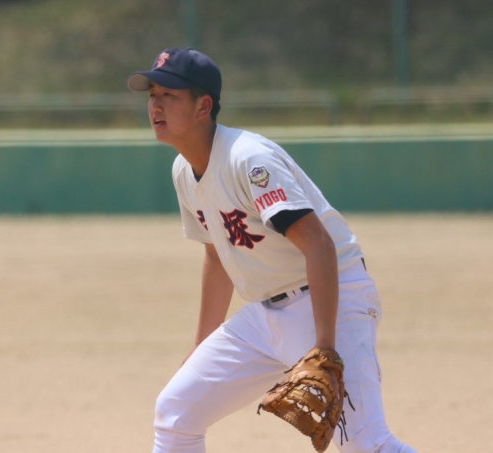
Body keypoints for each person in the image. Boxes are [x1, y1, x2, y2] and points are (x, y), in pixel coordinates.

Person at [126, 47, 416, 453]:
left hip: (332, 298)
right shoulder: (183, 172)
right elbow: (217, 257)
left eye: (169, 95)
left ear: (203, 106)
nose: (155, 105)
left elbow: (319, 244)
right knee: (176, 411)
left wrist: (325, 347)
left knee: (366, 443)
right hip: (265, 314)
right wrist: (200, 347)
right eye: (153, 95)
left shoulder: (249, 159)